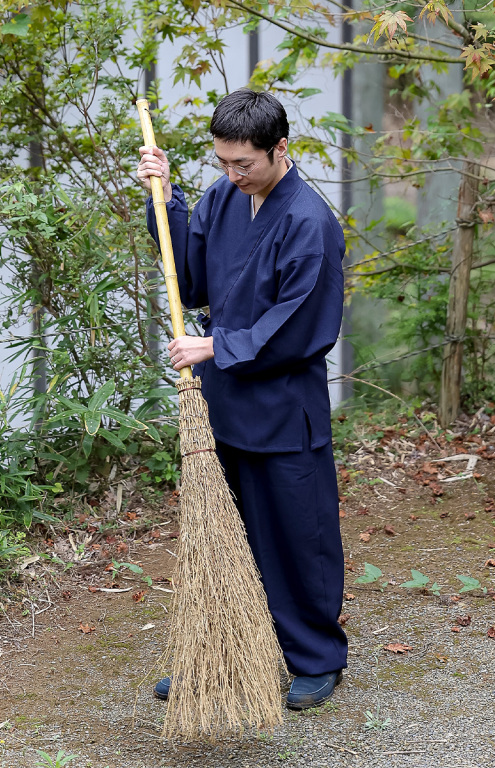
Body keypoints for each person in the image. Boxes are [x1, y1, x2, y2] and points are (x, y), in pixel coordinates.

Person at [137, 88, 348, 710]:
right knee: (228, 536)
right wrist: (168, 198)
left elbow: (304, 322)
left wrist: (214, 346)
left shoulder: (310, 221)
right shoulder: (223, 197)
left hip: (284, 408)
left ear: (280, 149)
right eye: (223, 162)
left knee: (295, 536)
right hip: (226, 402)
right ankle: (225, 648)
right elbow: (192, 275)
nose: (232, 175)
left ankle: (313, 658)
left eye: (244, 164)